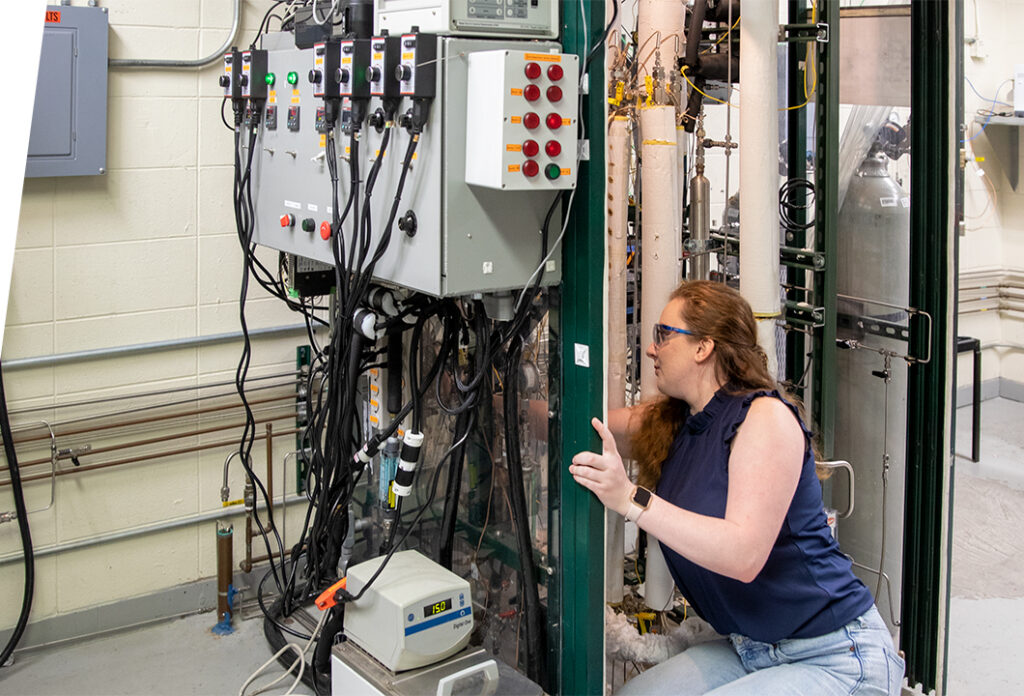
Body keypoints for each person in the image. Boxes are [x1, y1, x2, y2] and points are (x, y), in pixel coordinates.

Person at [570, 280, 905, 695]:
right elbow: (590, 424)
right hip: (751, 648)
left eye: (663, 335)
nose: (652, 349)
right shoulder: (674, 423)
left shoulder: (763, 419)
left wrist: (631, 499)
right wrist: (508, 402)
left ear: (703, 347)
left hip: (835, 655)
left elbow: (743, 555)